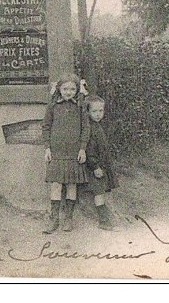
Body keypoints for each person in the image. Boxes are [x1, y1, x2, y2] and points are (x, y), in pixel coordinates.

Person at [41, 73, 89, 234]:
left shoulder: (80, 107)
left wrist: (82, 148)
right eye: (65, 88)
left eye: (72, 89)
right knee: (56, 184)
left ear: (77, 90)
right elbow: (46, 126)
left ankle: (68, 218)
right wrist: (47, 148)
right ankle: (54, 219)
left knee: (71, 185)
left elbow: (85, 128)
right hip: (56, 152)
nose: (68, 92)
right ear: (59, 89)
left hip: (74, 152)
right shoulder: (53, 106)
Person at [84, 95, 118, 231]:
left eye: (101, 111)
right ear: (87, 112)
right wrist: (95, 166)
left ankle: (105, 219)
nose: (98, 114)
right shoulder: (90, 129)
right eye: (94, 111)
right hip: (93, 167)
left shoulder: (98, 126)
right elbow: (89, 150)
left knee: (101, 192)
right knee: (99, 193)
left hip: (101, 165)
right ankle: (103, 220)